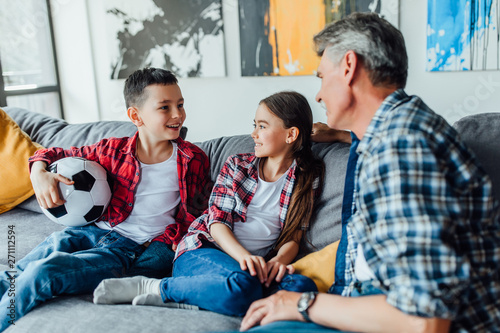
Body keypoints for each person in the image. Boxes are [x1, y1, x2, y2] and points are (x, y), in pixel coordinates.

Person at [238, 12, 500, 333]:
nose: (318, 94)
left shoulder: (403, 146)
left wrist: (301, 304)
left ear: (348, 66)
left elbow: (424, 321)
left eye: (321, 77)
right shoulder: (392, 131)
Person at [0, 67, 211, 331]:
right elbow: (52, 153)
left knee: (44, 273)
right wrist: (39, 172)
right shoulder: (112, 150)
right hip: (87, 231)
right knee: (16, 271)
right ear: (136, 116)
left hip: (126, 249)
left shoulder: (193, 160)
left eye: (180, 105)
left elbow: (196, 216)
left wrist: (159, 250)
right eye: (164, 107)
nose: (178, 114)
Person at [92, 91, 323, 317]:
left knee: (302, 288)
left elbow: (294, 235)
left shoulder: (306, 177)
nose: (253, 134)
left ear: (291, 135)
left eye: (262, 126)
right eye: (255, 125)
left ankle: (199, 300)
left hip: (252, 265)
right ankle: (156, 288)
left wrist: (276, 263)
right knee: (243, 285)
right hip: (203, 250)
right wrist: (244, 257)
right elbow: (216, 222)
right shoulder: (238, 166)